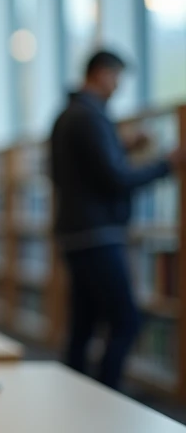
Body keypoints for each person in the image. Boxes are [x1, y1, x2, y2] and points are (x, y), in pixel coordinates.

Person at [50, 50, 182, 389]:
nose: (118, 87)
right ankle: (108, 394)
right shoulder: (90, 116)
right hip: (97, 234)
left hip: (75, 232)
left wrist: (121, 146)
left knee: (84, 325)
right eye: (117, 77)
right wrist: (167, 164)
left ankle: (77, 398)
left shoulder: (67, 116)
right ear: (101, 74)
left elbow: (83, 169)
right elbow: (115, 180)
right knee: (126, 320)